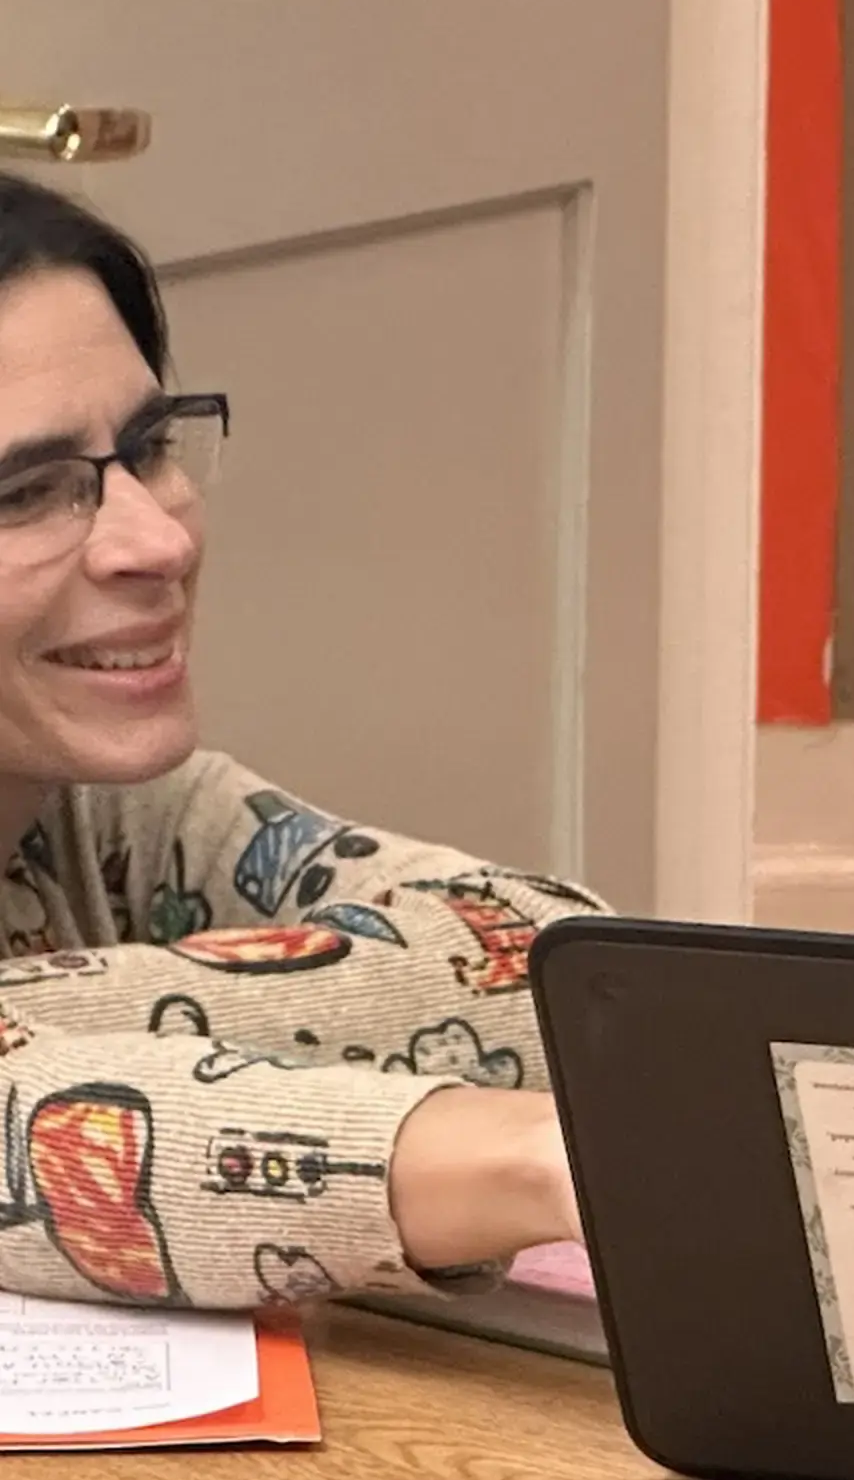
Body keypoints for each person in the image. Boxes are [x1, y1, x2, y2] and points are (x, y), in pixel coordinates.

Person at [0, 174, 597, 1311]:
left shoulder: (94, 808)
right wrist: (528, 1155)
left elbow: (550, 957)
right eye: (27, 493)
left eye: (148, 448)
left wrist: (37, 1028)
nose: (154, 541)